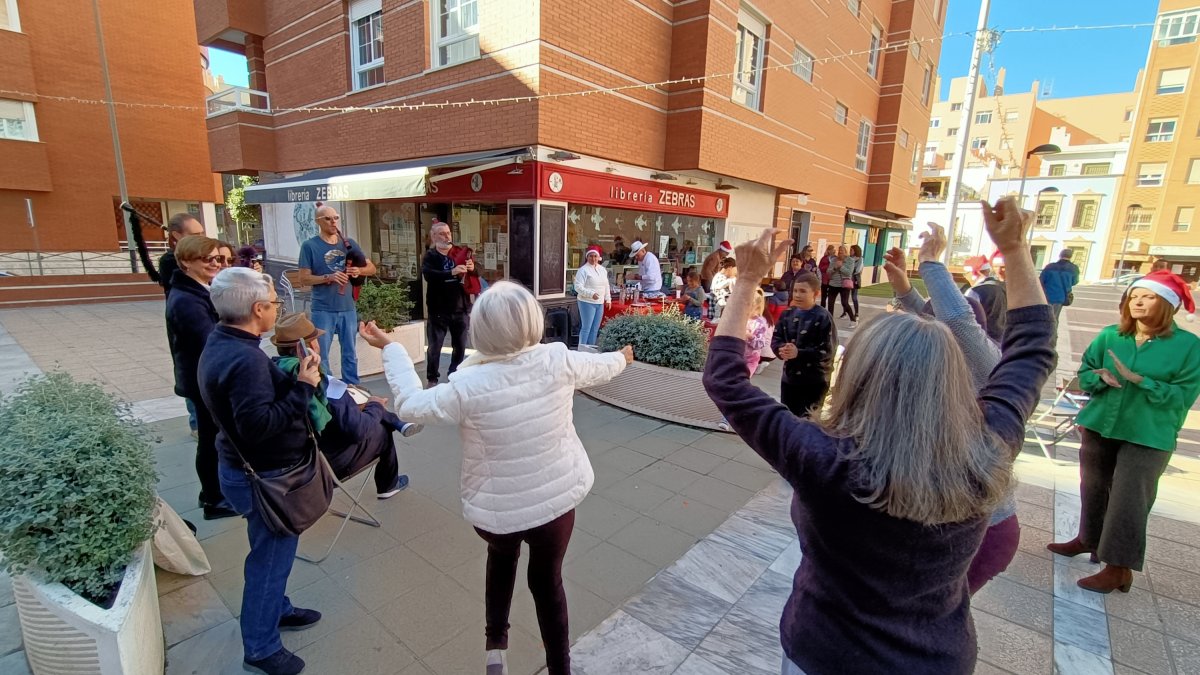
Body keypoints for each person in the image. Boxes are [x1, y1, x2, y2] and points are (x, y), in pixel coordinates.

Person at [703, 197, 1055, 674]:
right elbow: (1032, 350)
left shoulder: (825, 461)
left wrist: (746, 279)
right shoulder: (989, 445)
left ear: (859, 377)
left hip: (825, 654)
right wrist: (1015, 249)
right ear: (952, 377)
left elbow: (724, 379)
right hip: (936, 660)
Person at [361, 281, 633, 675]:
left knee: (501, 559)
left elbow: (409, 404)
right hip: (556, 505)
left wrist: (392, 348)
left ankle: (495, 648)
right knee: (548, 583)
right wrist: (623, 357)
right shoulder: (557, 360)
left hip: (496, 512)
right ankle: (561, 668)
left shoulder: (466, 387)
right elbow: (600, 367)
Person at [881, 223, 1024, 595]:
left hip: (982, 531)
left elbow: (955, 322)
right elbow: (930, 319)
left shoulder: (984, 362)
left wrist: (930, 262)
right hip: (952, 521)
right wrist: (903, 287)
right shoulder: (940, 362)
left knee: (932, 611)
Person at [198, 268, 324, 675]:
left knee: (269, 555)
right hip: (263, 479)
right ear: (257, 309)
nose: (277, 310)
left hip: (246, 472)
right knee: (269, 562)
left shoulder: (223, 341)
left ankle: (278, 609)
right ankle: (261, 646)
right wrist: (304, 385)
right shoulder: (245, 359)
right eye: (273, 304)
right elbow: (259, 427)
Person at [1048, 270, 1200, 594]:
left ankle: (1118, 568)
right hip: (1101, 423)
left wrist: (1143, 381)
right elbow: (1084, 373)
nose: (1137, 302)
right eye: (1134, 296)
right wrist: (1099, 377)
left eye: (1147, 297)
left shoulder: (1189, 347)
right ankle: (1089, 540)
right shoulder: (1110, 336)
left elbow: (1184, 395)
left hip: (1148, 434)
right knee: (1093, 486)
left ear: (1166, 304)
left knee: (1129, 500)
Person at [270, 312, 419, 498]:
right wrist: (374, 406)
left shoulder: (274, 372)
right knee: (380, 427)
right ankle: (389, 484)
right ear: (309, 346)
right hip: (321, 466)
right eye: (316, 339)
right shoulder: (316, 383)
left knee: (362, 403)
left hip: (290, 466)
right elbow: (357, 431)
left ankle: (395, 421)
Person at [165, 236, 237, 520]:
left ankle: (212, 492)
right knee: (211, 440)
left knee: (213, 438)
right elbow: (210, 341)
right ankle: (213, 499)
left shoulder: (198, 290)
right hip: (202, 380)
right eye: (207, 260)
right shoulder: (186, 299)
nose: (215, 264)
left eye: (217, 259)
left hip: (204, 377)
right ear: (185, 262)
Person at [298, 205, 376, 384]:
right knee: (321, 354)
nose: (333, 222)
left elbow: (371, 268)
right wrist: (328, 277)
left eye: (336, 217)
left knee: (350, 352)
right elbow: (303, 278)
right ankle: (327, 390)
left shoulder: (348, 243)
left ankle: (353, 387)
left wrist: (359, 270)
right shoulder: (310, 246)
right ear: (318, 221)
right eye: (328, 218)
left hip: (347, 307)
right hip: (323, 309)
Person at [772, 272, 837, 418]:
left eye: (803, 291)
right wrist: (781, 349)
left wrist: (799, 353)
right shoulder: (787, 314)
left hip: (814, 381)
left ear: (816, 293)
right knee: (789, 418)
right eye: (795, 290)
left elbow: (828, 350)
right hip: (790, 379)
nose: (797, 295)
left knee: (808, 421)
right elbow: (776, 338)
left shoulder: (823, 317)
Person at [422, 218, 471, 387]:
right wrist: (451, 272)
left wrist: (472, 268)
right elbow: (429, 275)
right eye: (442, 234)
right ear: (434, 237)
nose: (446, 236)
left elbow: (476, 273)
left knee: (460, 345)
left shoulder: (459, 252)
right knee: (435, 347)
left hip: (460, 307)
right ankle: (432, 378)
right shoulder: (430, 256)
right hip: (438, 308)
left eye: (448, 233)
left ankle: (454, 373)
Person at [963, 254, 1008, 342]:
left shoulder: (975, 291)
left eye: (965, 274)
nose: (965, 277)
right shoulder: (1003, 287)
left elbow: (966, 320)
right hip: (1001, 340)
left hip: (981, 341)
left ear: (974, 273)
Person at [574, 245, 611, 348]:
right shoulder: (583, 270)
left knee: (595, 328)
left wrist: (608, 299)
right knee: (586, 327)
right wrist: (590, 294)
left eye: (595, 256)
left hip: (600, 303)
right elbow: (577, 287)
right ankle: (581, 349)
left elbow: (606, 285)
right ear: (587, 257)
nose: (593, 258)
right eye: (591, 256)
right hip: (586, 302)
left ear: (598, 257)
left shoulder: (602, 269)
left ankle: (590, 349)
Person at [159, 213, 205, 296]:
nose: (201, 238)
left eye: (202, 233)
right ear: (177, 235)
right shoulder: (170, 260)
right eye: (195, 235)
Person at [1040, 249, 1081, 321]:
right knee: (1054, 318)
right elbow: (1075, 282)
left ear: (1060, 255)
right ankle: (1052, 331)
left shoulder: (1050, 266)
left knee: (1043, 317)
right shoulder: (1074, 268)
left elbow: (1041, 280)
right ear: (1071, 256)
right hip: (1060, 297)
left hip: (1046, 296)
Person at [828, 245, 858, 328]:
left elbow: (849, 273)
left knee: (844, 303)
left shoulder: (850, 260)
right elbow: (828, 271)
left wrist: (841, 266)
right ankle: (830, 322)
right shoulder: (834, 260)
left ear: (846, 252)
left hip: (844, 285)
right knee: (830, 303)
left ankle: (853, 320)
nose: (840, 252)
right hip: (833, 284)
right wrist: (835, 268)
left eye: (842, 250)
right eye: (839, 250)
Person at [818, 244, 838, 314]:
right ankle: (822, 311)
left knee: (831, 298)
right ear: (829, 250)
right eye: (832, 249)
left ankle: (830, 313)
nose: (834, 251)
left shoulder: (836, 258)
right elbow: (820, 267)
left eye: (834, 249)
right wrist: (828, 267)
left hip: (832, 280)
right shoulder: (824, 258)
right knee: (823, 297)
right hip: (825, 280)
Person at [848, 244, 864, 319]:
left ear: (855, 251)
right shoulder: (849, 258)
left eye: (851, 250)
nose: (850, 251)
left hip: (854, 280)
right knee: (845, 298)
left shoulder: (860, 259)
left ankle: (856, 313)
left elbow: (858, 270)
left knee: (854, 297)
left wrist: (850, 270)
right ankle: (845, 312)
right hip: (847, 279)